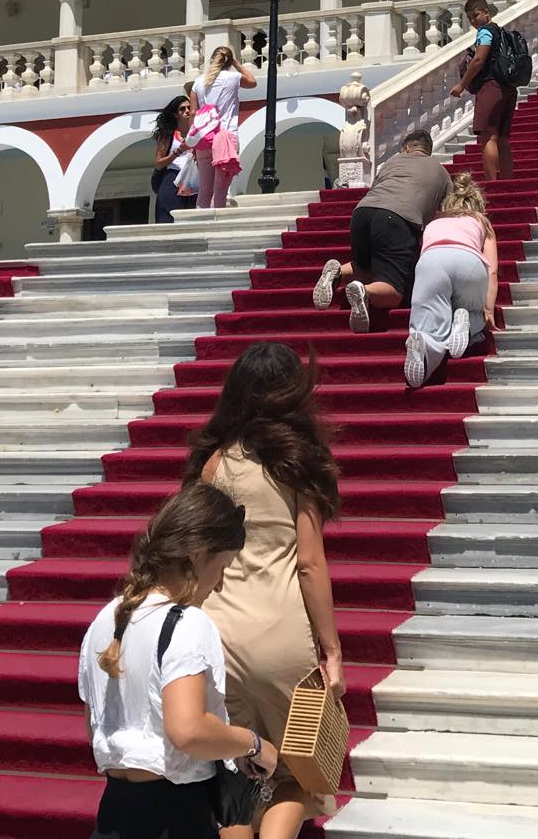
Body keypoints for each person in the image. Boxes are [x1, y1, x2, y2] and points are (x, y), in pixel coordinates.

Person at [189, 345, 345, 839]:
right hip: (282, 636)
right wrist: (333, 648)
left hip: (221, 634)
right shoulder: (298, 463)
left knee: (236, 771)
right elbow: (309, 563)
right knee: (296, 773)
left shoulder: (213, 464)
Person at [77, 482, 278, 839]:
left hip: (114, 812)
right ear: (199, 555)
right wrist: (254, 744)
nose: (218, 586)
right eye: (223, 567)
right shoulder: (186, 623)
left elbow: (98, 719)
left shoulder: (106, 618)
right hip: (174, 815)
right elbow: (187, 729)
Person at [312, 130, 449, 332]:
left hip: (362, 213)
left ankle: (339, 272)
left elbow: (376, 188)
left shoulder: (392, 163)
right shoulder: (441, 172)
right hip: (398, 219)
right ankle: (364, 291)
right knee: (394, 291)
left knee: (366, 266)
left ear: (407, 148)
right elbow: (449, 211)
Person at [405, 173, 500, 389]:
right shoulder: (482, 222)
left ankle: (423, 345)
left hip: (432, 260)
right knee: (473, 311)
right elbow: (492, 271)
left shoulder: (435, 222)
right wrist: (489, 311)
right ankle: (467, 325)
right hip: (469, 261)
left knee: (429, 319)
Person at [450, 0, 515, 182]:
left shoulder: (485, 32)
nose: (473, 21)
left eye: (476, 15)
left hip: (491, 86)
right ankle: (507, 182)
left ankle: (493, 183)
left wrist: (462, 85)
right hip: (508, 87)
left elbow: (479, 60)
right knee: (502, 138)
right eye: (469, 17)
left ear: (487, 12)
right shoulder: (502, 33)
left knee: (489, 137)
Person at [191, 46, 257, 210]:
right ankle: (216, 226)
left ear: (212, 59)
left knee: (204, 191)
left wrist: (194, 142)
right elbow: (252, 82)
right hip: (225, 137)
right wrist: (235, 62)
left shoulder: (197, 83)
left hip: (204, 138)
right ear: (228, 61)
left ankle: (199, 226)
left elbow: (193, 113)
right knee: (220, 190)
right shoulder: (233, 77)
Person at [153, 94, 198, 225]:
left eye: (189, 107)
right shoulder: (168, 135)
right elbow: (158, 163)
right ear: (175, 114)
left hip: (194, 179)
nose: (187, 111)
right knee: (169, 216)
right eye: (182, 109)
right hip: (172, 178)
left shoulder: (198, 132)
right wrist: (178, 151)